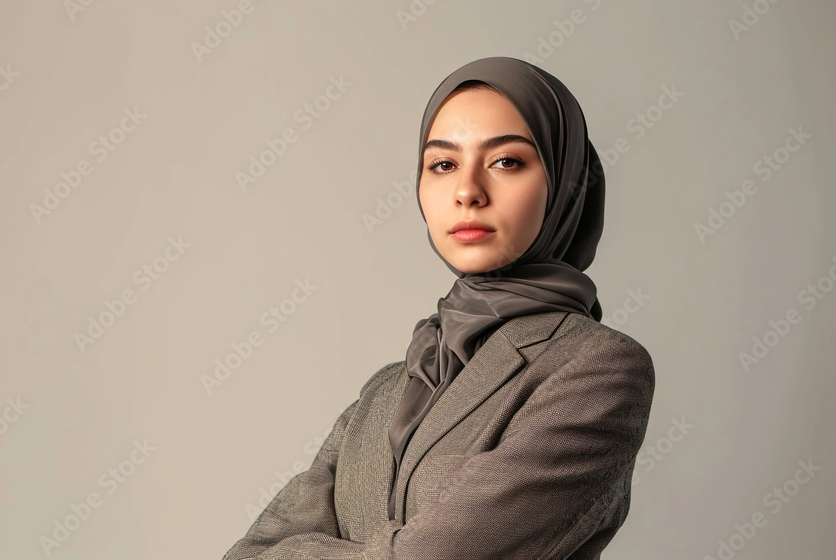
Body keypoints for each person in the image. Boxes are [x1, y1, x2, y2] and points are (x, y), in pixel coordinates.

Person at [222, 56, 656, 560]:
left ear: (564, 181)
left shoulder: (596, 369)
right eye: (443, 165)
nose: (468, 192)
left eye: (506, 161)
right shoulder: (386, 390)